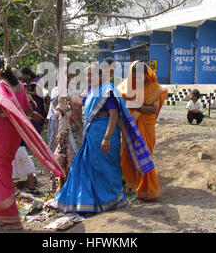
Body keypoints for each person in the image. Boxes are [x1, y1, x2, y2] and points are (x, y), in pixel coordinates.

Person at [0, 56, 64, 230]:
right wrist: (35, 115)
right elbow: (28, 109)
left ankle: (10, 219)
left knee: (0, 176)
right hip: (13, 136)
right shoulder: (20, 87)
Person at [48, 64, 155, 213]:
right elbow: (81, 102)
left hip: (105, 133)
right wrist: (64, 96)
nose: (87, 78)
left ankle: (111, 199)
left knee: (107, 168)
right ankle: (91, 201)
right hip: (91, 134)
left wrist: (107, 138)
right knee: (89, 166)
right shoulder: (92, 91)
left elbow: (114, 115)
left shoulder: (108, 91)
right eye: (87, 75)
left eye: (90, 75)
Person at [117, 61, 167, 201]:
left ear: (146, 75)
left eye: (139, 77)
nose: (136, 80)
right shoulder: (125, 87)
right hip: (128, 128)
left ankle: (146, 189)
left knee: (144, 156)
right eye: (133, 77)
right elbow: (120, 103)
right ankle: (130, 186)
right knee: (125, 155)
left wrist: (136, 105)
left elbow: (154, 109)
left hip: (145, 126)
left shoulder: (154, 88)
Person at [47, 74, 78, 191]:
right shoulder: (56, 90)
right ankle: (54, 172)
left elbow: (71, 106)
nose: (68, 80)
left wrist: (73, 120)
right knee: (55, 145)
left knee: (69, 146)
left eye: (69, 78)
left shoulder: (68, 91)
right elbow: (52, 104)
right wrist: (55, 111)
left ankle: (67, 173)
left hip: (65, 121)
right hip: (56, 121)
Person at [21, 67, 47, 134]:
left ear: (28, 74)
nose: (23, 77)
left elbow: (37, 93)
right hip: (30, 104)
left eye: (24, 75)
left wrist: (26, 92)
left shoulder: (36, 81)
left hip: (37, 104)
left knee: (36, 122)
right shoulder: (27, 81)